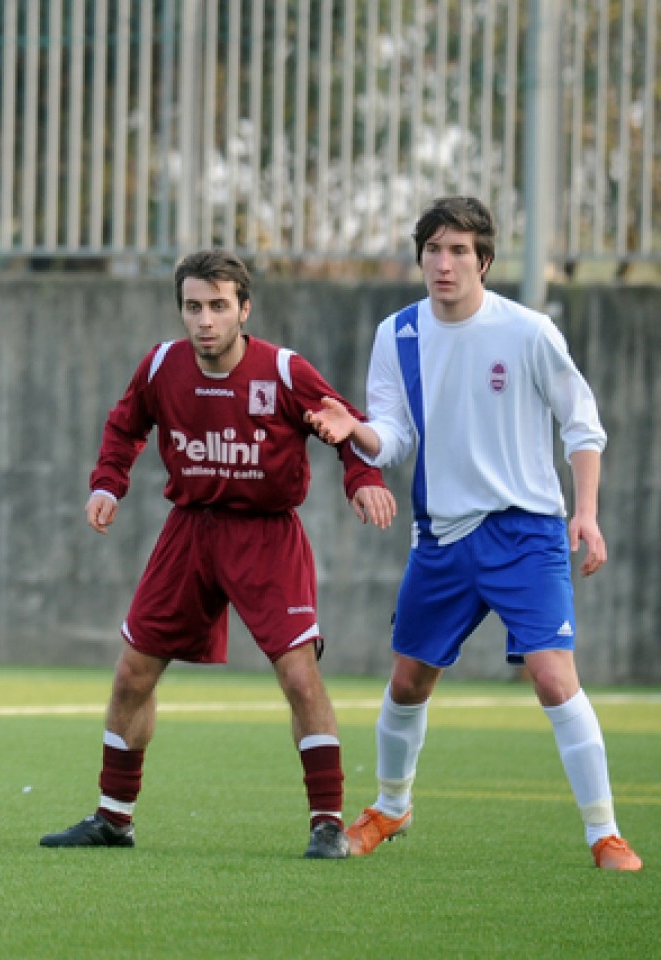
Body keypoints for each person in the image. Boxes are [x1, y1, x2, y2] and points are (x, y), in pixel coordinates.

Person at [306, 196, 643, 871]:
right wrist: (357, 431)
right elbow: (394, 437)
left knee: (552, 678)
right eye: (433, 249)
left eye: (459, 250)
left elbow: (582, 424)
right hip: (443, 539)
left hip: (528, 535)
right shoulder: (397, 334)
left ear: (484, 260)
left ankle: (604, 832)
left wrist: (586, 511)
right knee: (407, 682)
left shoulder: (528, 331)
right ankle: (392, 805)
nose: (444, 263)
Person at [40, 250, 396, 859]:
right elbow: (125, 426)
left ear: (244, 309)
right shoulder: (161, 365)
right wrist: (107, 482)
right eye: (193, 307)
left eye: (218, 307)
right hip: (189, 533)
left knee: (299, 676)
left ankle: (328, 823)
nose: (204, 320)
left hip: (266, 536)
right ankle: (113, 818)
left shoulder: (283, 371)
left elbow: (345, 424)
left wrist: (362, 479)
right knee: (132, 673)